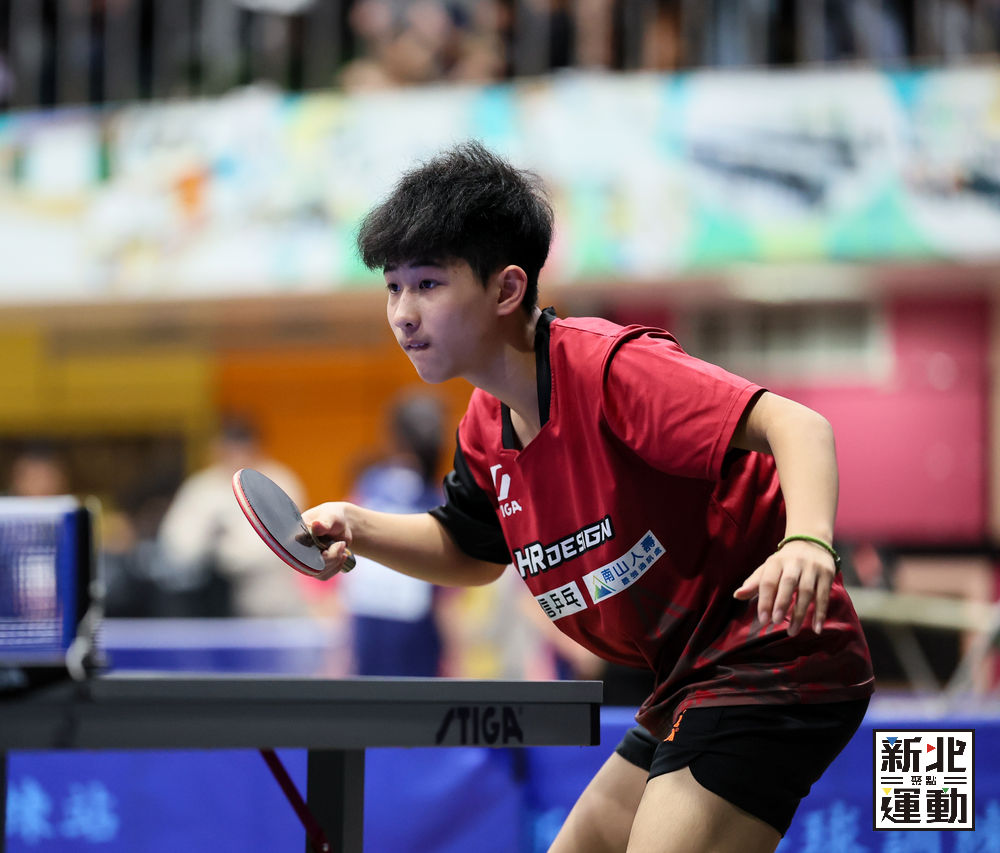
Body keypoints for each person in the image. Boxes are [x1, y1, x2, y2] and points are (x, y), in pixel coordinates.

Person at [300, 142, 874, 852]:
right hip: (685, 678)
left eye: (427, 284)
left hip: (771, 657)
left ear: (507, 289)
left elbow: (797, 425)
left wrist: (808, 540)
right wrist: (356, 525)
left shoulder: (613, 371)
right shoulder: (484, 425)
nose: (402, 314)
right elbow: (472, 550)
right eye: (393, 288)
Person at [340, 392, 450, 676]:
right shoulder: (439, 502)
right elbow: (447, 602)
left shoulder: (367, 487)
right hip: (417, 651)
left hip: (367, 643)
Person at [158, 415, 310, 619]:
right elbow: (176, 544)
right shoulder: (201, 487)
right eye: (227, 447)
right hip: (210, 606)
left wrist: (221, 550)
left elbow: (275, 547)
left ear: (256, 447)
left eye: (241, 447)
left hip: (271, 606)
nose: (234, 455)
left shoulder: (279, 482)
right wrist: (208, 544)